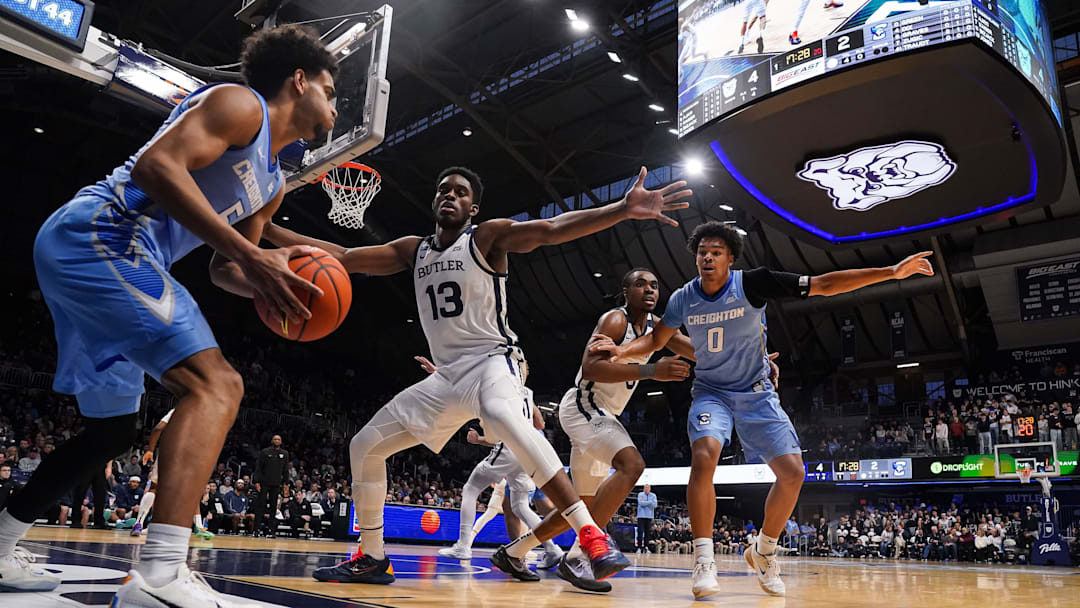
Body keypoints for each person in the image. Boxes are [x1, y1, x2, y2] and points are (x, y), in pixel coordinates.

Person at [0, 25, 337, 605]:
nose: (334, 105)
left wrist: (268, 273)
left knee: (114, 428)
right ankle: (157, 576)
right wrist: (251, 254)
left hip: (107, 254)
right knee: (217, 385)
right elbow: (155, 167)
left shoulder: (273, 183)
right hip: (105, 234)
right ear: (299, 82)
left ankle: (2, 539)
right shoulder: (239, 105)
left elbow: (224, 269)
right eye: (330, 90)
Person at [265, 165, 691, 586]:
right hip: (448, 376)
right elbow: (339, 257)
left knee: (503, 414)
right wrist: (263, 227)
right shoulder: (413, 250)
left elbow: (553, 228)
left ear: (473, 208)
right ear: (434, 201)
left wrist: (621, 208)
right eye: (443, 189)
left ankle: (590, 535)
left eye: (460, 192)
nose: (450, 195)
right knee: (365, 445)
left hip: (493, 360)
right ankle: (372, 556)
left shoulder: (486, 238)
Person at [590, 221, 934, 598]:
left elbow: (824, 284)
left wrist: (891, 272)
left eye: (716, 251)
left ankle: (764, 550)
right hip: (711, 392)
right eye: (702, 251)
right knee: (704, 456)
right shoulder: (683, 299)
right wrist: (622, 351)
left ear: (731, 258)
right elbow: (657, 340)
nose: (707, 256)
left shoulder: (754, 283)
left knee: (792, 473)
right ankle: (704, 559)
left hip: (756, 393)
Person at [131, 409, 172, 537]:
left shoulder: (178, 410)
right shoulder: (202, 412)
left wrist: (150, 450)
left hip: (169, 451)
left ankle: (138, 523)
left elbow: (158, 429)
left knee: (154, 488)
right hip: (189, 456)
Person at [253, 435, 290, 538]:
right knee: (260, 507)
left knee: (274, 508)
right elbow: (258, 468)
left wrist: (286, 484)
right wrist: (256, 482)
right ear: (271, 440)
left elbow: (285, 470)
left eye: (278, 439)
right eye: (275, 439)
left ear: (281, 442)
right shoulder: (265, 452)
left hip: (276, 484)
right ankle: (256, 530)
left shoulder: (285, 454)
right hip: (264, 483)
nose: (277, 441)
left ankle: (272, 531)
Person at [637, 484, 659, 554]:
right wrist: (650, 502)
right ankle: (639, 547)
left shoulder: (653, 495)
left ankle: (646, 547)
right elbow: (641, 503)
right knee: (640, 532)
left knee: (647, 533)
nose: (646, 489)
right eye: (645, 488)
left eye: (647, 488)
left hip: (649, 516)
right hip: (641, 516)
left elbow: (655, 505)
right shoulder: (640, 494)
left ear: (650, 489)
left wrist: (647, 503)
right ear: (643, 489)